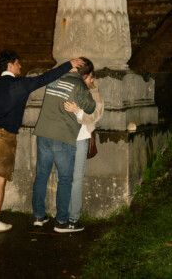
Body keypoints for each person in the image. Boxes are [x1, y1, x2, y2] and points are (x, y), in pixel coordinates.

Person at [0, 51, 84, 234]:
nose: (20, 66)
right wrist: (68, 64)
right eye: (18, 63)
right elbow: (45, 78)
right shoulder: (20, 85)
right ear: (10, 65)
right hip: (5, 137)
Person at [32, 58, 96, 233]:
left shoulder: (54, 78)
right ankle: (61, 222)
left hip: (43, 134)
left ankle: (38, 216)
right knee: (66, 180)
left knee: (42, 176)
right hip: (62, 137)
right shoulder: (79, 85)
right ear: (85, 75)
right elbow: (91, 107)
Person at [64, 71, 104, 227]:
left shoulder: (94, 93)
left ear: (92, 78)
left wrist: (77, 111)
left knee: (76, 178)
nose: (82, 79)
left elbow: (96, 115)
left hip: (80, 139)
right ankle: (63, 213)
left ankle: (73, 216)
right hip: (65, 137)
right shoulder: (71, 87)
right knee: (63, 177)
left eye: (86, 76)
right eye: (81, 76)